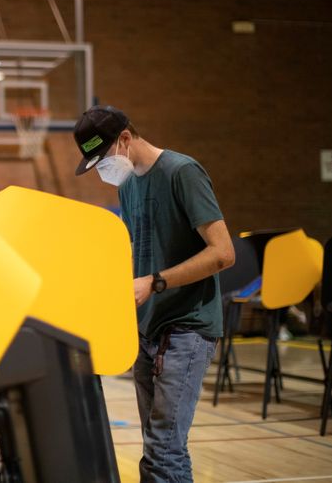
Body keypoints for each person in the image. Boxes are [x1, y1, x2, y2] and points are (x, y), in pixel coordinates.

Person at [73, 106, 235, 482]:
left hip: (187, 327)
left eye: (103, 159)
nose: (101, 169)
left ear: (126, 139)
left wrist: (156, 281)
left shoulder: (182, 172)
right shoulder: (129, 185)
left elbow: (223, 253)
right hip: (146, 329)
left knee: (164, 448)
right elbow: (134, 253)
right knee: (160, 445)